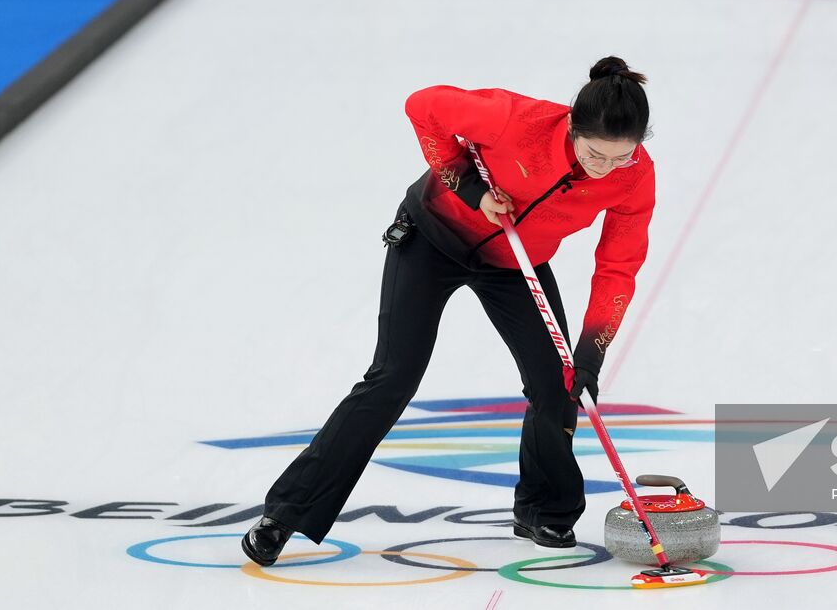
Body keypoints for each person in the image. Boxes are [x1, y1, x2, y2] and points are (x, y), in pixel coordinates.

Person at [240, 56, 656, 566]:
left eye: (621, 157)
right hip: (431, 238)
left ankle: (543, 510)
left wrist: (590, 352)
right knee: (393, 376)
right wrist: (470, 187)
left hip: (514, 263)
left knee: (558, 383)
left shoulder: (634, 178)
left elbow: (619, 265)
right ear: (571, 125)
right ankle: (287, 513)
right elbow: (423, 107)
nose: (605, 168)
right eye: (595, 153)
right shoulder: (516, 120)